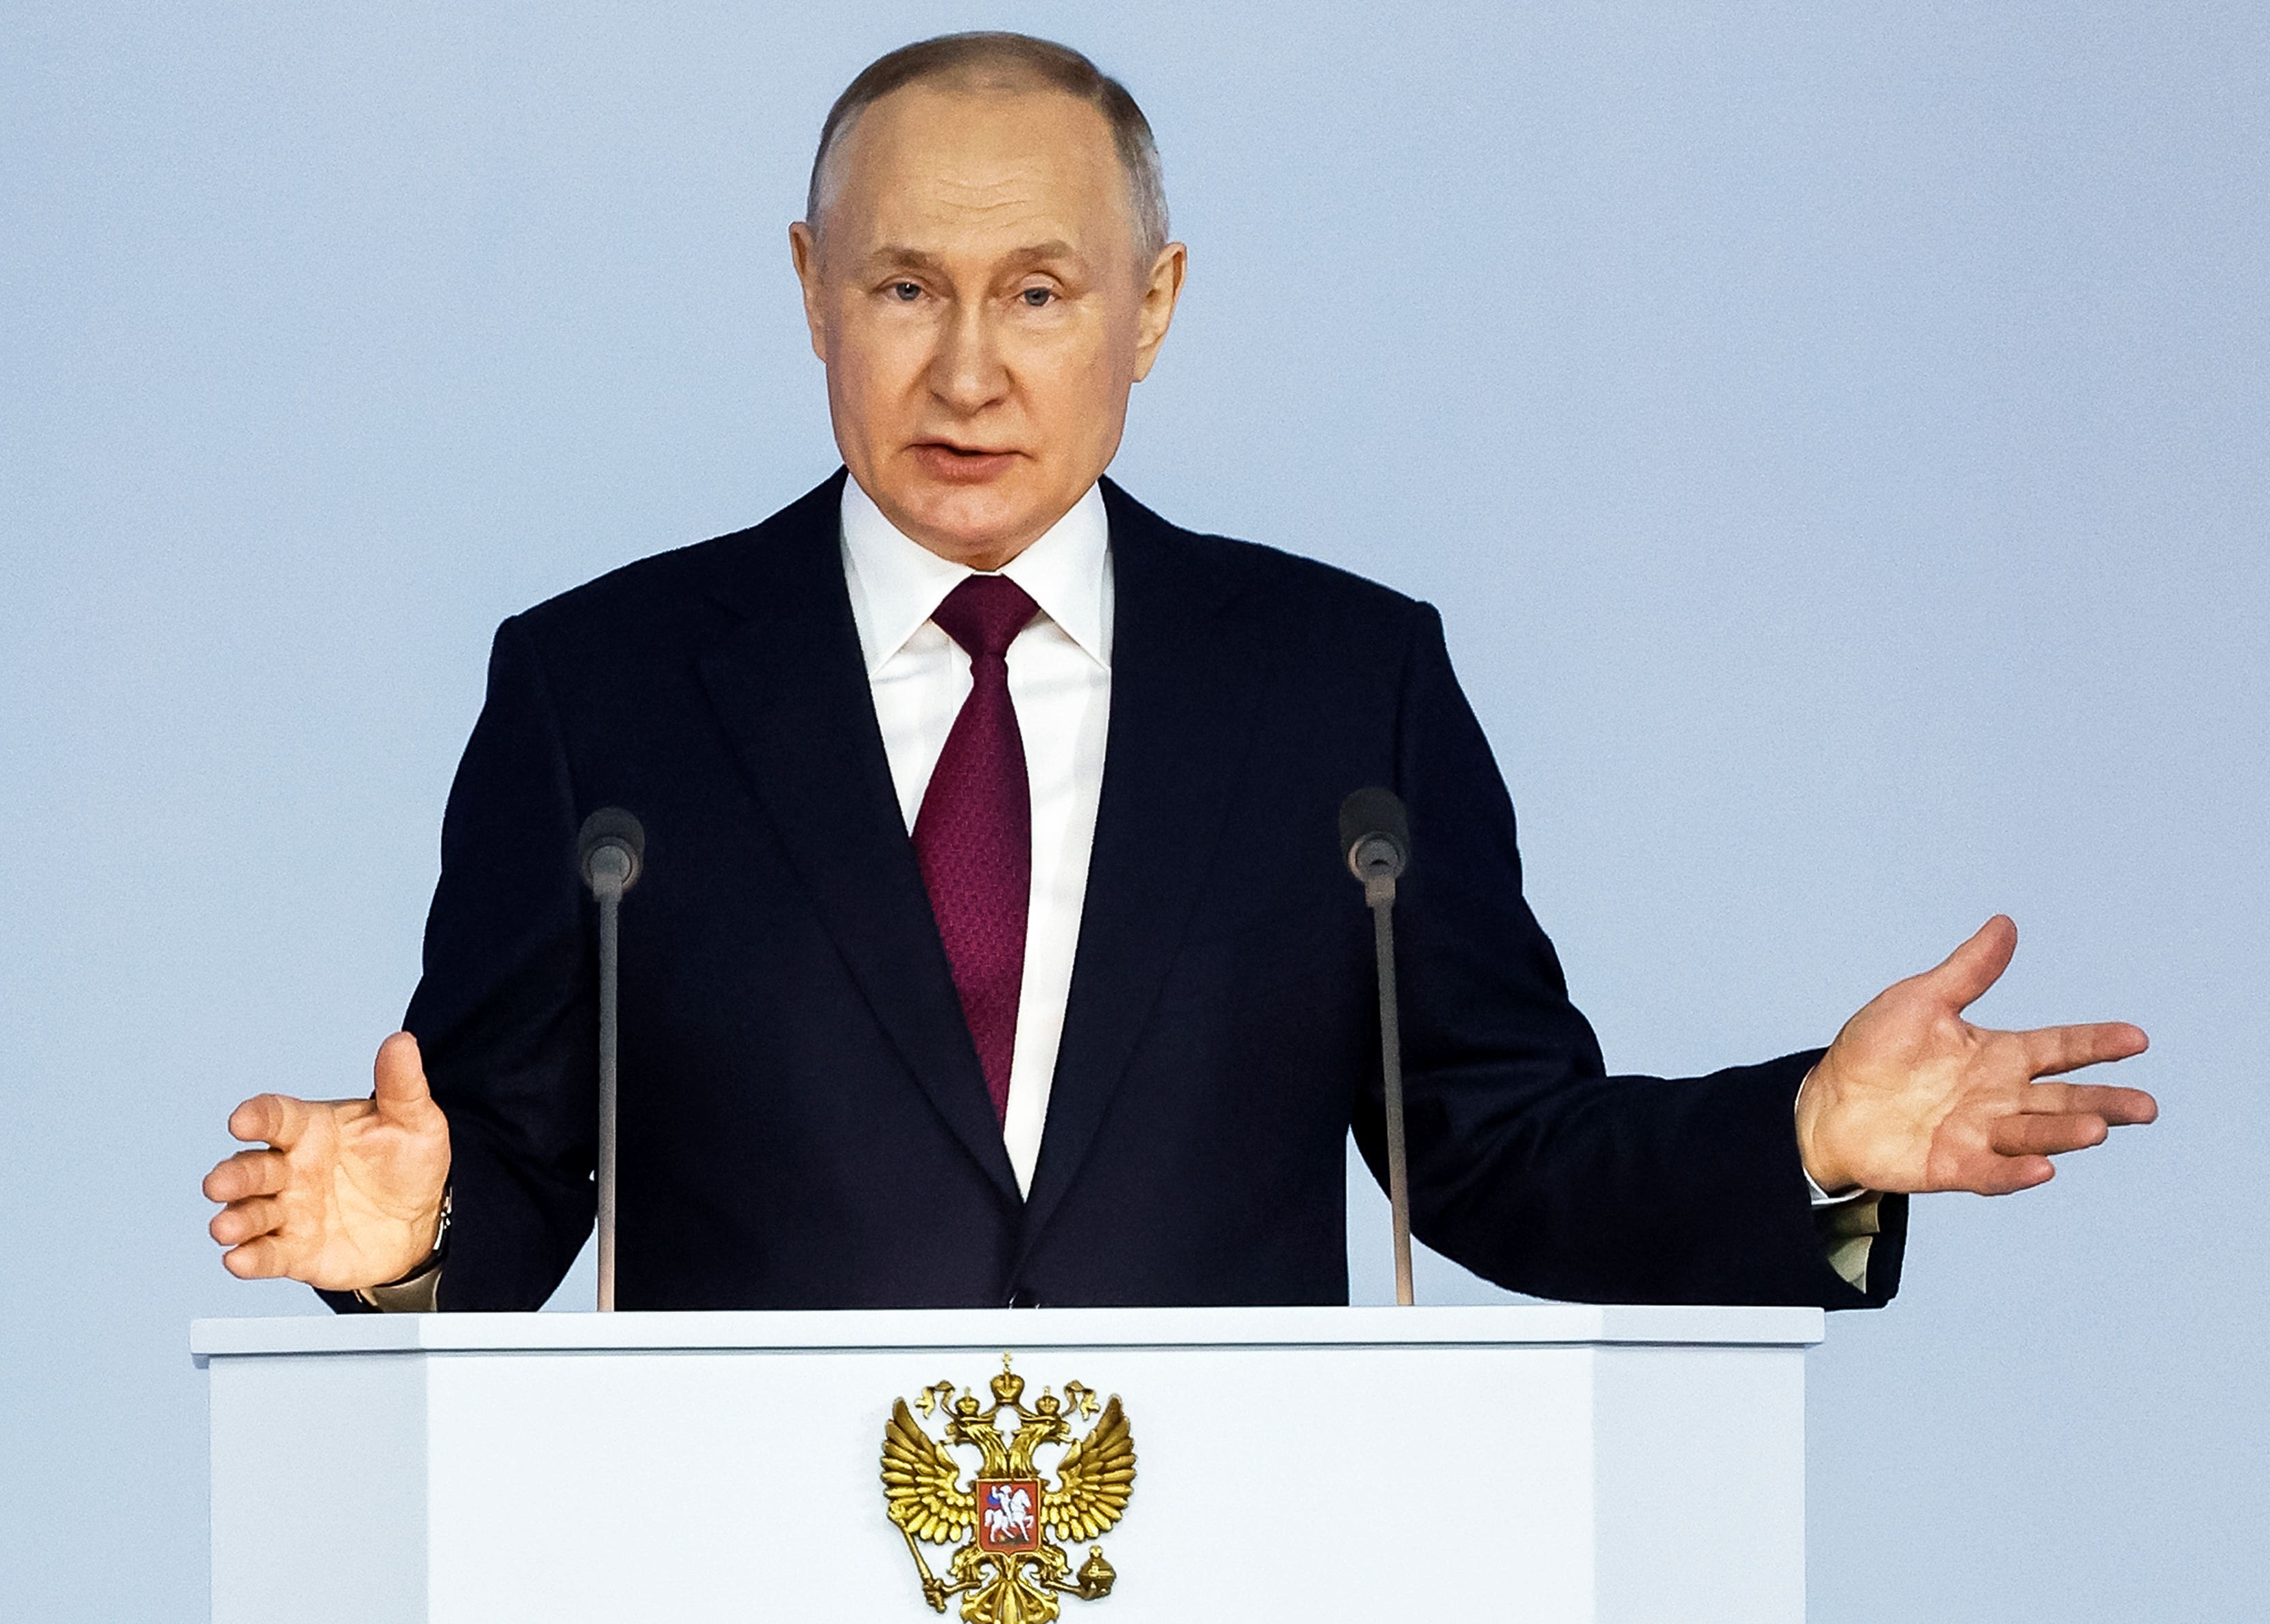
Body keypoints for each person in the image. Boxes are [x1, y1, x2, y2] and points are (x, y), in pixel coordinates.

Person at [202, 33, 2155, 1313]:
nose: (969, 372)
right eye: (905, 290)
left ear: (1155, 305)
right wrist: (409, 1243)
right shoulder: (599, 693)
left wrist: (1802, 1135)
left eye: (1038, 294)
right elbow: (515, 1178)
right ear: (807, 286)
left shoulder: (1342, 692)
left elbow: (1498, 1154)